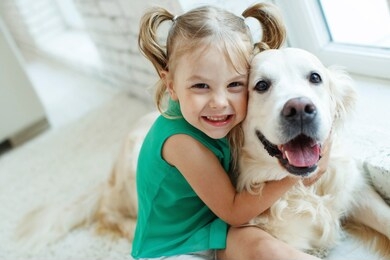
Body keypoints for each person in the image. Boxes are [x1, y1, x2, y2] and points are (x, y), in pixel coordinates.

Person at [132, 3, 327, 259]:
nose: (220, 102)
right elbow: (234, 211)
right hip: (175, 244)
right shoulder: (181, 142)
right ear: (171, 85)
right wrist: (296, 174)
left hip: (213, 225)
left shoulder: (216, 119)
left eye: (235, 84)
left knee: (263, 245)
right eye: (201, 85)